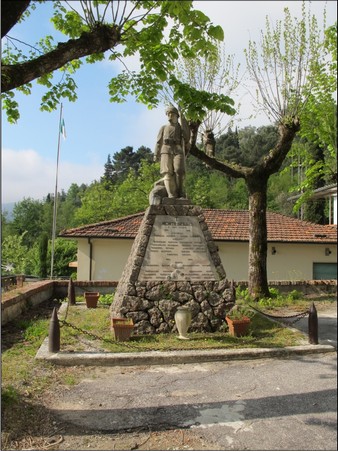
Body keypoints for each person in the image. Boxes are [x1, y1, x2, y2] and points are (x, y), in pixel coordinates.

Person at [153, 105, 190, 198]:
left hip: (178, 149)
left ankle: (180, 191)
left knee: (179, 170)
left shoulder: (181, 128)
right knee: (167, 172)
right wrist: (156, 154)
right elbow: (158, 142)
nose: (169, 116)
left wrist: (183, 119)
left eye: (172, 114)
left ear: (176, 116)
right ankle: (171, 194)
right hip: (165, 150)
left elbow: (187, 137)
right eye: (168, 114)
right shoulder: (163, 127)